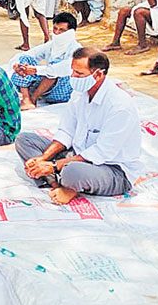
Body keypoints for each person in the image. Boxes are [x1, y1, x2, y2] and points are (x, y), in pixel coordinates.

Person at [15, 47, 142, 205]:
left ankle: (64, 182)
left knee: (72, 171)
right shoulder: (79, 93)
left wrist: (54, 166)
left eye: (79, 74)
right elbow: (66, 132)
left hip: (111, 169)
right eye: (73, 71)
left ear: (98, 75)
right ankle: (57, 185)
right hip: (76, 155)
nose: (73, 77)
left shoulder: (119, 106)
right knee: (25, 140)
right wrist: (43, 158)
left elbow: (102, 152)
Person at [8, 12, 81, 110]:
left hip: (63, 91)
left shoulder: (77, 49)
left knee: (54, 67)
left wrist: (36, 70)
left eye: (62, 30)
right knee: (24, 59)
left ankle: (33, 98)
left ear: (71, 32)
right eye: (55, 29)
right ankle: (26, 99)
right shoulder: (51, 45)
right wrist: (18, 66)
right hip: (48, 88)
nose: (57, 33)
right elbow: (29, 54)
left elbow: (62, 69)